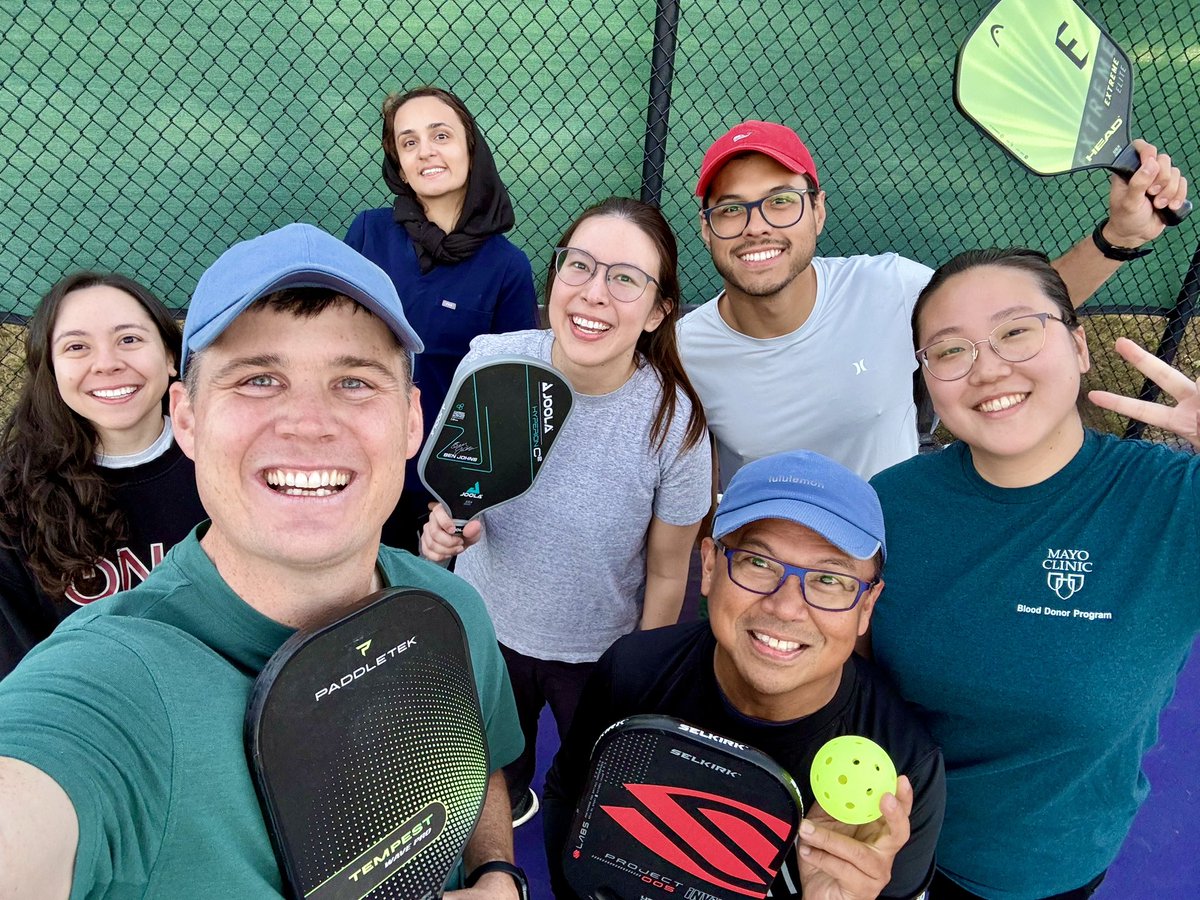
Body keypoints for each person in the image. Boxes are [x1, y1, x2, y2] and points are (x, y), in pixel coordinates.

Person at [0, 224, 526, 899]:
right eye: (258, 379)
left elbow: (476, 764)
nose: (309, 422)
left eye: (355, 382)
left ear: (411, 419)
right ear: (186, 418)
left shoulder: (452, 607)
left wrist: (496, 873)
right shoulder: (112, 684)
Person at [866, 247, 1200, 899]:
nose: (988, 369)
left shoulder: (1175, 504)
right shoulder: (890, 501)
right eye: (951, 350)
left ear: (1078, 346)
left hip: (1038, 872)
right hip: (882, 847)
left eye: (1016, 331)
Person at [677, 119, 1190, 485]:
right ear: (706, 228)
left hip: (897, 543)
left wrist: (1118, 237)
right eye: (729, 210)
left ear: (818, 210)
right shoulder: (682, 350)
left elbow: (1017, 312)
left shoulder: (888, 287)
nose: (757, 225)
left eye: (781, 201)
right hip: (775, 568)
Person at [421, 197, 712, 827]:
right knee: (492, 777)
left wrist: (639, 676)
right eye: (578, 265)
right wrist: (441, 533)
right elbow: (451, 497)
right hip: (486, 630)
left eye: (625, 278)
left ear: (660, 310)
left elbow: (668, 574)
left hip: (598, 655)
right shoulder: (490, 364)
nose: (593, 294)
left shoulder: (673, 423)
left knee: (588, 786)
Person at [543, 449, 946, 899]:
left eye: (830, 580)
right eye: (759, 562)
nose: (787, 606)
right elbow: (567, 795)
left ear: (867, 606)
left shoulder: (904, 768)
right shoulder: (633, 672)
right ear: (711, 566)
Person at [346, 85, 538, 552]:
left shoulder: (506, 267)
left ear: (470, 148)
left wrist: (460, 500)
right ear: (398, 162)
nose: (425, 151)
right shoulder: (369, 234)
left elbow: (507, 397)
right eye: (408, 142)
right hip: (357, 467)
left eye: (440, 136)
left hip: (436, 497)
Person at [0, 271, 206, 677]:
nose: (108, 363)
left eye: (129, 339)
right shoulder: (12, 499)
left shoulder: (228, 460)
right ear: (52, 370)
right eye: (77, 347)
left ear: (170, 358)